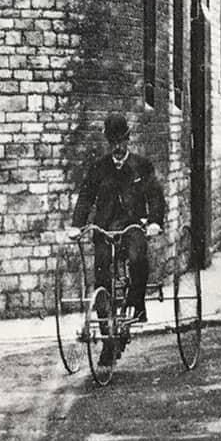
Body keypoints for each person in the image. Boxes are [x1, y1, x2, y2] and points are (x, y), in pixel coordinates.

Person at [72, 112, 166, 330]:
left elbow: (155, 195)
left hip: (133, 226)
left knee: (136, 259)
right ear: (108, 143)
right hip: (105, 229)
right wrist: (77, 225)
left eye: (121, 141)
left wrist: (154, 222)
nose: (117, 147)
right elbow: (86, 196)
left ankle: (138, 305)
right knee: (102, 268)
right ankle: (104, 318)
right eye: (113, 143)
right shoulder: (99, 167)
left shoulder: (141, 166)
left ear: (128, 139)